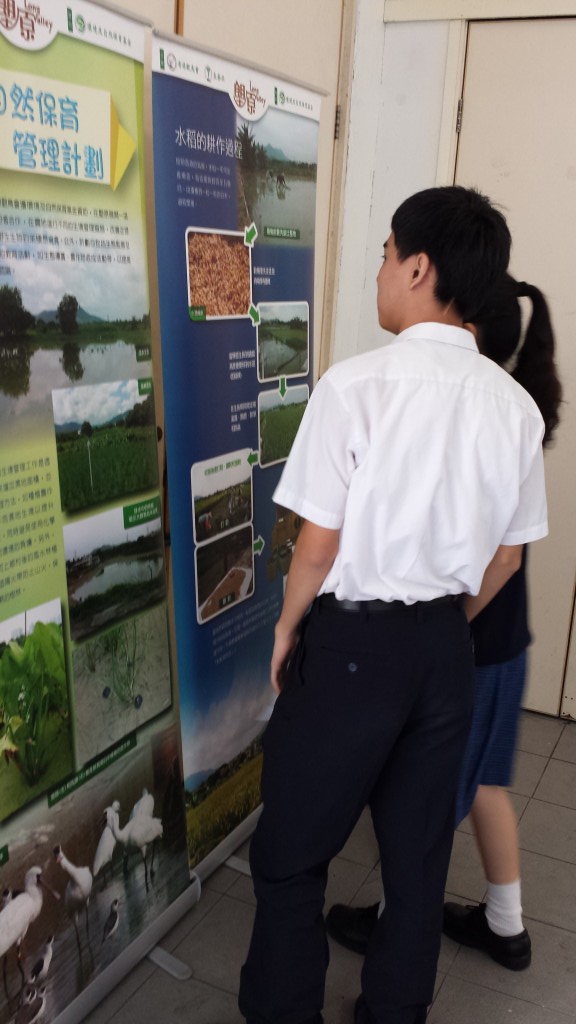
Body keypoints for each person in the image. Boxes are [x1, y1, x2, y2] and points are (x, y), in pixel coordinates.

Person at [238, 187, 549, 1024]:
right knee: (416, 867)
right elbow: (508, 556)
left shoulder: (355, 386)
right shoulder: (514, 407)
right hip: (446, 652)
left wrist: (289, 628)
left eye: (384, 255)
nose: (379, 271)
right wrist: (440, 626)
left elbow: (317, 547)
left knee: (291, 856)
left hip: (351, 651)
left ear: (418, 268)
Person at [325, 275, 562, 973]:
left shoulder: (473, 407)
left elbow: (501, 558)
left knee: (428, 800)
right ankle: (506, 925)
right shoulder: (510, 407)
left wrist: (447, 624)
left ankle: (398, 925)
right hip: (504, 640)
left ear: (470, 330)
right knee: (484, 782)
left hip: (473, 641)